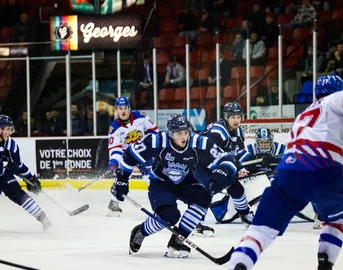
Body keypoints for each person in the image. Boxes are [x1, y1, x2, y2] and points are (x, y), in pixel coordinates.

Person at [202, 75, 343, 270]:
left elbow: (309, 164)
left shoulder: (302, 117)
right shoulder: (336, 98)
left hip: (288, 174)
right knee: (336, 218)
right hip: (326, 175)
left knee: (260, 231)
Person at [111, 114, 237, 258]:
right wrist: (122, 180)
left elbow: (227, 158)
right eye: (178, 133)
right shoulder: (157, 141)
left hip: (186, 182)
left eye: (185, 132)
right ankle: (140, 231)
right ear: (171, 134)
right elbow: (130, 155)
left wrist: (222, 171)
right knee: (170, 216)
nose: (183, 137)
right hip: (161, 183)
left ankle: (177, 240)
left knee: (204, 197)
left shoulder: (198, 142)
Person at [0, 115, 51, 237]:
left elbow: (18, 165)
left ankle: (44, 220)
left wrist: (30, 178)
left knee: (17, 192)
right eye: (8, 129)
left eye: (11, 128)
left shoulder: (11, 145)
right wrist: (6, 164)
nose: (10, 132)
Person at [194, 102, 255, 236]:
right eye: (233, 117)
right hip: (201, 163)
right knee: (206, 190)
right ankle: (196, 222)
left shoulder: (238, 131)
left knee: (236, 188)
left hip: (220, 163)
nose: (236, 120)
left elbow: (238, 154)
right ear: (226, 117)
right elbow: (207, 153)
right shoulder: (217, 131)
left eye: (238, 117)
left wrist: (245, 165)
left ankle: (245, 215)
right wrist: (220, 170)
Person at [209, 126, 286, 225]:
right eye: (261, 143)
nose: (264, 145)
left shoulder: (281, 149)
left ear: (271, 142)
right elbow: (242, 166)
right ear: (257, 142)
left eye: (266, 142)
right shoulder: (250, 150)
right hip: (257, 183)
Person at [107, 96, 158, 216]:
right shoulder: (114, 128)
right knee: (121, 179)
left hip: (143, 153)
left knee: (151, 178)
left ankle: (159, 204)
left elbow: (153, 130)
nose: (123, 111)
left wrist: (149, 145)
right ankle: (114, 202)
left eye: (125, 107)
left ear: (129, 108)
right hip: (127, 155)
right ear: (116, 110)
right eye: (120, 108)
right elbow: (115, 148)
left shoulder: (141, 116)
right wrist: (114, 161)